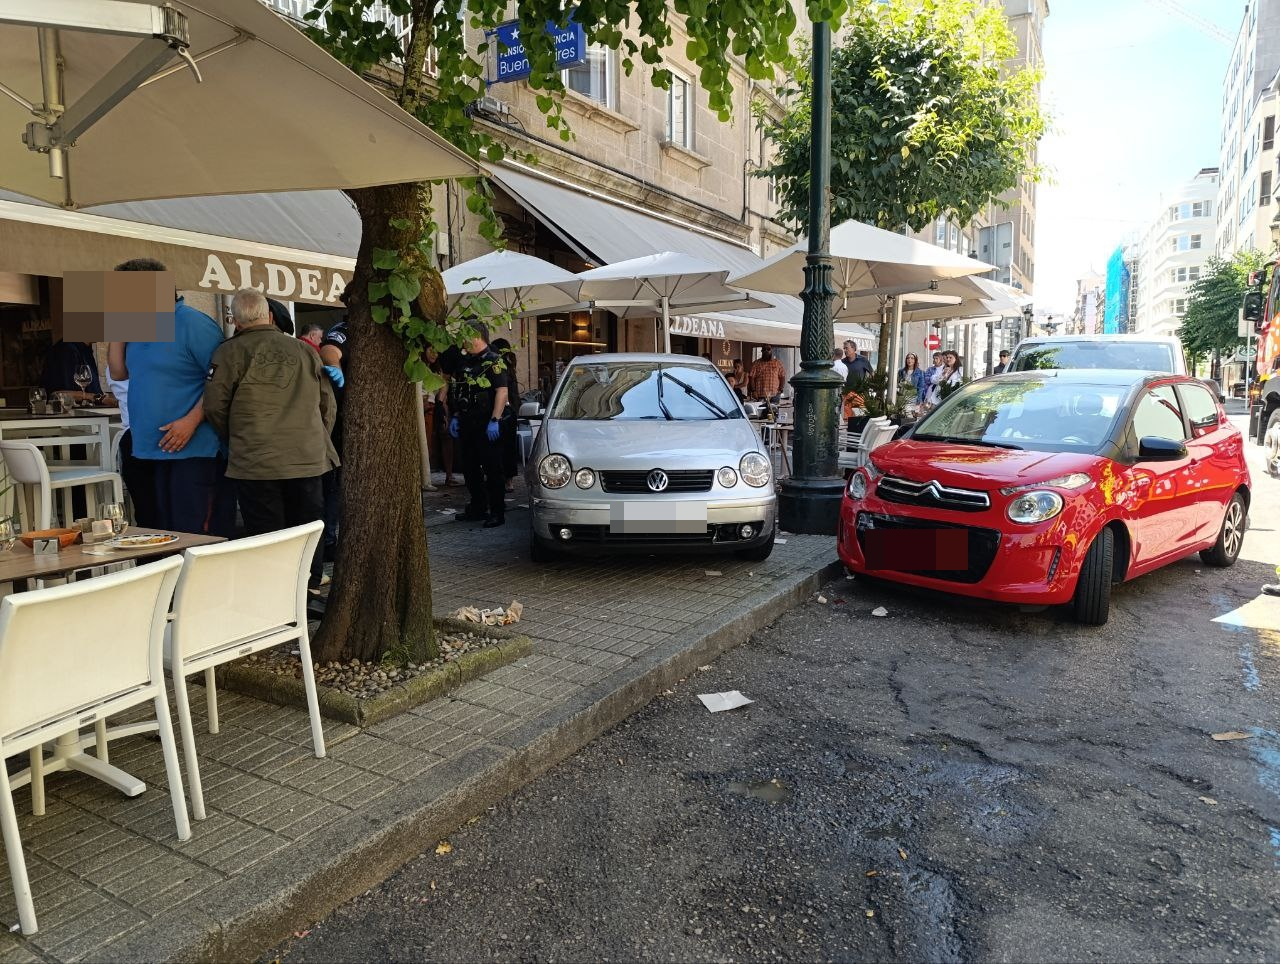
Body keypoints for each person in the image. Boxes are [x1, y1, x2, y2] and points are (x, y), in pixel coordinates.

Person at [203, 289, 337, 591]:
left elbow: (214, 406)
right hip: (306, 456)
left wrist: (237, 438)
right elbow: (327, 404)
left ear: (234, 319)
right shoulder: (304, 351)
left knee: (267, 532)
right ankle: (309, 587)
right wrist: (315, 438)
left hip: (255, 460)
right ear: (270, 315)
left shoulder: (227, 352)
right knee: (308, 528)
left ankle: (275, 595)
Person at [106, 258, 233, 536]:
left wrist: (191, 420)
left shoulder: (194, 324)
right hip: (148, 448)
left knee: (193, 534)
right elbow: (118, 372)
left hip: (193, 450)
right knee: (158, 535)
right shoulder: (137, 327)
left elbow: (222, 381)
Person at [448, 323, 510, 527]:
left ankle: (497, 512)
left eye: (465, 336)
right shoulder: (464, 362)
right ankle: (478, 507)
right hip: (467, 422)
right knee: (470, 468)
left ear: (477, 336)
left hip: (487, 422)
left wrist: (495, 420)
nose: (462, 340)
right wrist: (456, 415)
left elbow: (502, 391)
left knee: (492, 469)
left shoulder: (494, 361)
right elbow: (458, 390)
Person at [317, 318, 348, 560]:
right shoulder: (344, 328)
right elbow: (329, 349)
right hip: (341, 423)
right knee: (334, 485)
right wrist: (336, 367)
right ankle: (328, 540)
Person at [39, 339, 110, 404]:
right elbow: (58, 394)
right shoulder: (66, 349)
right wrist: (99, 398)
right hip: (71, 415)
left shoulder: (85, 349)